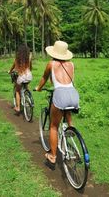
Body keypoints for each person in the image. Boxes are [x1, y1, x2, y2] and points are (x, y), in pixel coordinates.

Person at [36, 40, 79, 170]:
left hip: (60, 95)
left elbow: (45, 78)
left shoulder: (51, 64)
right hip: (73, 95)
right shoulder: (71, 64)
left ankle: (53, 156)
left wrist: (38, 88)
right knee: (67, 109)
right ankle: (71, 129)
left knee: (54, 126)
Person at [9, 44, 32, 113]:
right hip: (29, 76)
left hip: (21, 77)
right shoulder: (29, 58)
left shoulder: (17, 58)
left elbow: (14, 67)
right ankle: (28, 97)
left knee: (17, 91)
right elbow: (30, 68)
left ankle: (18, 107)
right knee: (26, 85)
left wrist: (10, 71)